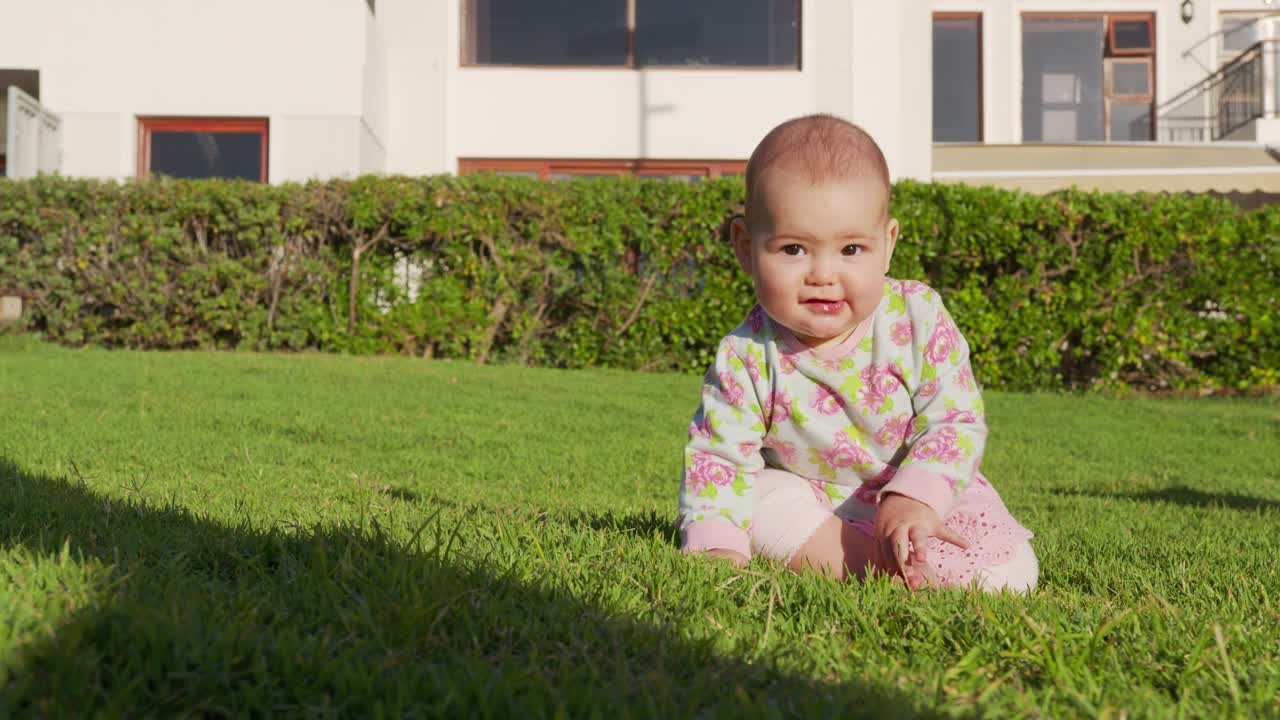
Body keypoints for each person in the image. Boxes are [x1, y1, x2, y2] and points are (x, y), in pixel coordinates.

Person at [677, 114, 1037, 592]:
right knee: (756, 497)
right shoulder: (746, 355)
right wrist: (719, 544)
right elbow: (720, 459)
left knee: (1011, 576)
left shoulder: (916, 316)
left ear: (887, 246)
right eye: (793, 250)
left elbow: (954, 421)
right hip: (814, 501)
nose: (823, 274)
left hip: (920, 496)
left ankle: (903, 559)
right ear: (746, 248)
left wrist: (914, 499)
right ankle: (874, 566)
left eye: (850, 249)